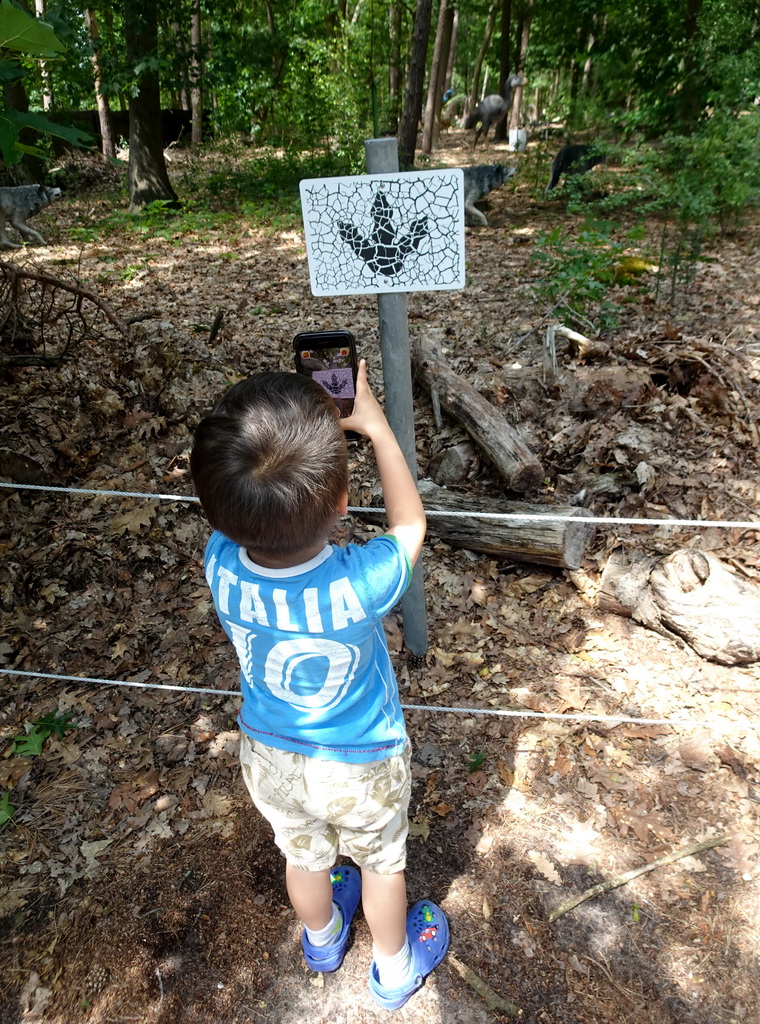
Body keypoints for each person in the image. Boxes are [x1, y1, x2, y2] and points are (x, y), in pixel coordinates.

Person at [190, 359, 449, 1010]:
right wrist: (379, 432)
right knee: (381, 864)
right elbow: (411, 527)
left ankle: (323, 937)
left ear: (216, 511)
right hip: (362, 762)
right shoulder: (359, 582)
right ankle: (394, 967)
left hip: (271, 756)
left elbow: (238, 515)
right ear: (340, 503)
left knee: (304, 857)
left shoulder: (220, 562)